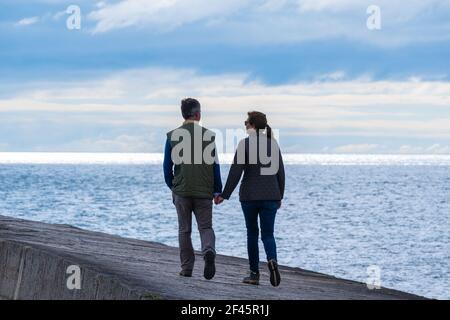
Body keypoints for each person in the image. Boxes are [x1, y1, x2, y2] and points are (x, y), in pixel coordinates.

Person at [217, 111, 285, 287]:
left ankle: (254, 274)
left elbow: (235, 172)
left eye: (246, 122)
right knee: (268, 234)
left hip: (249, 197)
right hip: (271, 196)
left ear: (253, 125)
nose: (244, 124)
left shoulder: (244, 144)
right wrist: (280, 196)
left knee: (252, 233)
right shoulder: (273, 144)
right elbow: (281, 173)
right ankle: (272, 260)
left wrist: (224, 195)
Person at [163, 98, 223, 280]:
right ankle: (208, 250)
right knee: (205, 227)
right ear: (198, 114)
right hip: (204, 192)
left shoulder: (172, 136)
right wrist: (217, 190)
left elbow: (167, 167)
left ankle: (187, 268)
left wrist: (173, 185)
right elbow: (215, 166)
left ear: (183, 114)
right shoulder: (209, 136)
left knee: (184, 230)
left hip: (182, 190)